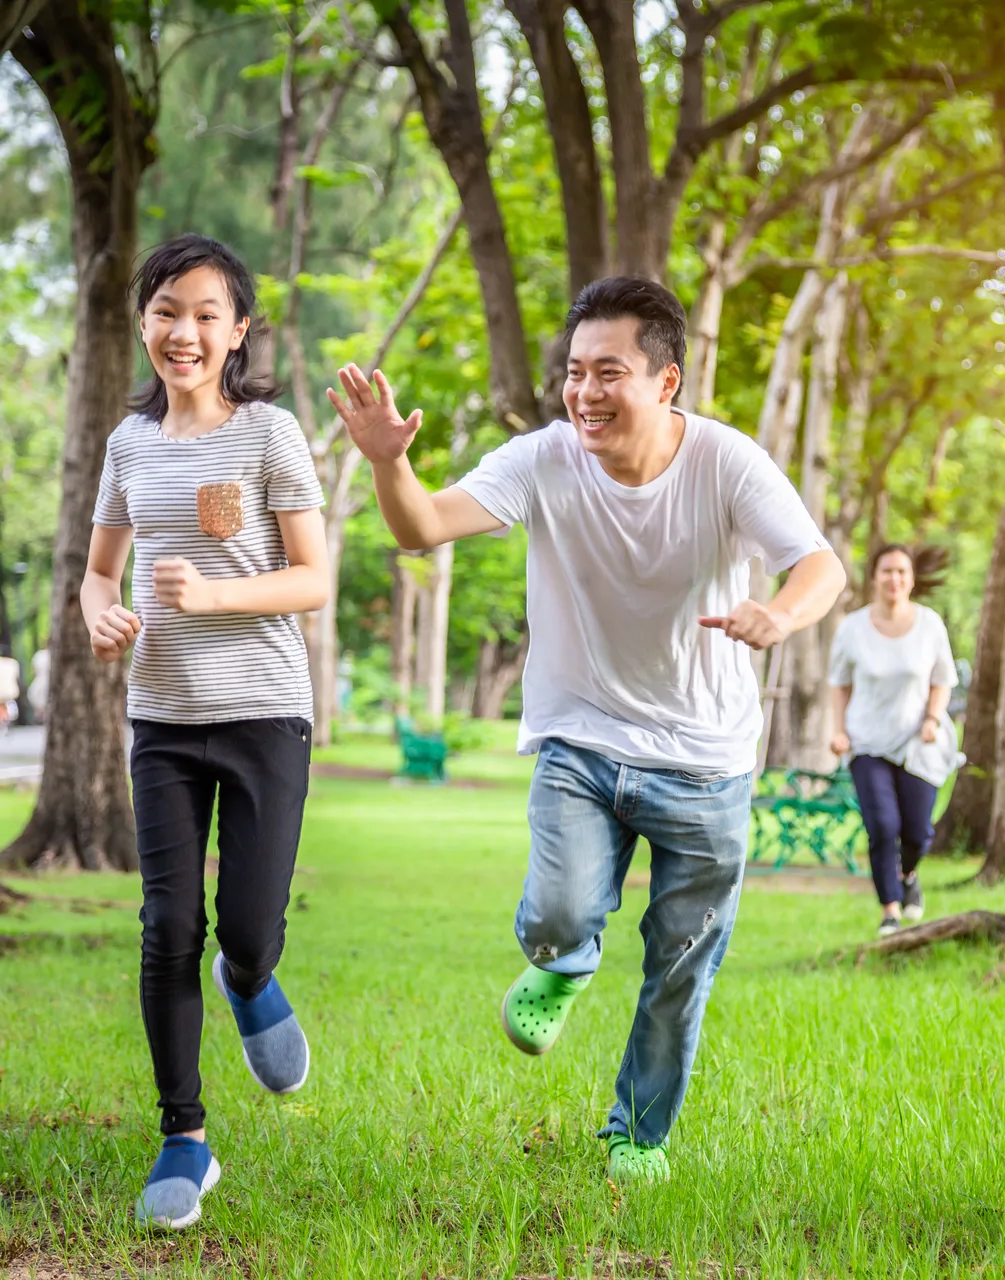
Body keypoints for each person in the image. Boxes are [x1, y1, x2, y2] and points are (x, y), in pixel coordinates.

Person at [330, 277, 845, 1184]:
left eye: (609, 372)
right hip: (582, 741)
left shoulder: (727, 464)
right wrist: (386, 463)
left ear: (666, 381)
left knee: (680, 970)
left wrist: (782, 616)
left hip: (706, 762)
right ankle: (563, 963)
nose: (585, 393)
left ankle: (636, 1136)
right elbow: (422, 525)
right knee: (560, 913)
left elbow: (819, 565)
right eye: (574, 371)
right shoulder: (544, 459)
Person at [84, 234, 330, 1230]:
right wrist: (102, 609)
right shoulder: (126, 446)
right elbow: (102, 568)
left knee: (242, 928)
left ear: (236, 332)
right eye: (164, 311)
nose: (182, 331)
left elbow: (313, 581)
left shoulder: (269, 433)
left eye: (205, 314)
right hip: (164, 717)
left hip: (267, 712)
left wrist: (218, 593)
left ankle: (252, 977)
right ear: (143, 320)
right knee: (165, 924)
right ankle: (183, 1133)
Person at [827, 544, 962, 937]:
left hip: (918, 742)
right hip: (867, 742)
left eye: (902, 572)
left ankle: (908, 873)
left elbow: (942, 679)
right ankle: (890, 911)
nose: (894, 579)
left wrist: (933, 719)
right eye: (887, 571)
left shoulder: (929, 624)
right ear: (874, 577)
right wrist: (838, 730)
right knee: (883, 826)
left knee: (917, 831)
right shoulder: (852, 628)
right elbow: (838, 684)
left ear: (912, 579)